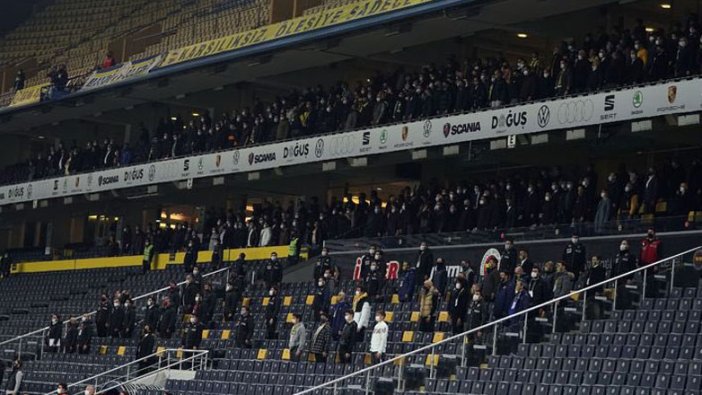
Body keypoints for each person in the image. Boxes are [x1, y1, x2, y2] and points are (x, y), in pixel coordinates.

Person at [613, 240, 637, 309]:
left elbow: (633, 268)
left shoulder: (631, 256)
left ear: (628, 246)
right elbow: (613, 267)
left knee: (624, 296)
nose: (622, 245)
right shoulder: (617, 256)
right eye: (622, 243)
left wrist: (630, 278)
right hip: (617, 279)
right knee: (617, 297)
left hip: (625, 279)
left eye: (624, 244)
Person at [640, 228, 662, 297]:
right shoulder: (644, 242)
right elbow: (640, 253)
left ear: (654, 233)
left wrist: (657, 265)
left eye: (651, 232)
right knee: (644, 282)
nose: (649, 233)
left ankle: (651, 296)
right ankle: (644, 295)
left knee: (651, 282)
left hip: (652, 265)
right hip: (644, 265)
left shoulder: (658, 243)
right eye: (648, 232)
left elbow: (659, 255)